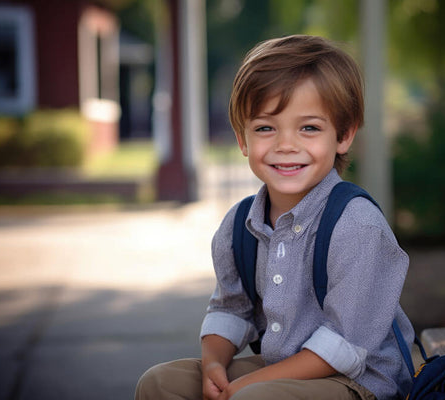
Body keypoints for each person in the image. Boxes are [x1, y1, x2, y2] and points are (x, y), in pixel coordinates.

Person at [135, 34, 414, 400]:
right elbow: (230, 309)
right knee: (159, 383)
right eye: (266, 128)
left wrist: (248, 384)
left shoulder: (356, 225)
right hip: (280, 368)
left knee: (253, 398)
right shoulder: (240, 225)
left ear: (343, 135)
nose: (286, 145)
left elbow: (343, 347)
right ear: (243, 139)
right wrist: (215, 365)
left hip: (358, 381)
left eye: (309, 128)